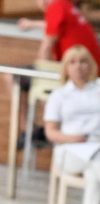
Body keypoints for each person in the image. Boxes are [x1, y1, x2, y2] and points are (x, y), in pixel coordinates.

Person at [15, 0, 100, 147]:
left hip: (77, 72)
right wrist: (31, 24)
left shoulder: (56, 6)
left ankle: (29, 132)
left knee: (14, 77)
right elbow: (56, 25)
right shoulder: (65, 5)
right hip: (90, 70)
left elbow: (46, 47)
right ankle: (39, 129)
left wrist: (40, 75)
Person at [44, 44, 100, 204]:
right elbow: (50, 132)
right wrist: (73, 138)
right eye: (73, 62)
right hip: (70, 150)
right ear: (66, 67)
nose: (79, 67)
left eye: (83, 61)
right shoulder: (59, 95)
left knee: (95, 173)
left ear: (91, 65)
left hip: (95, 149)